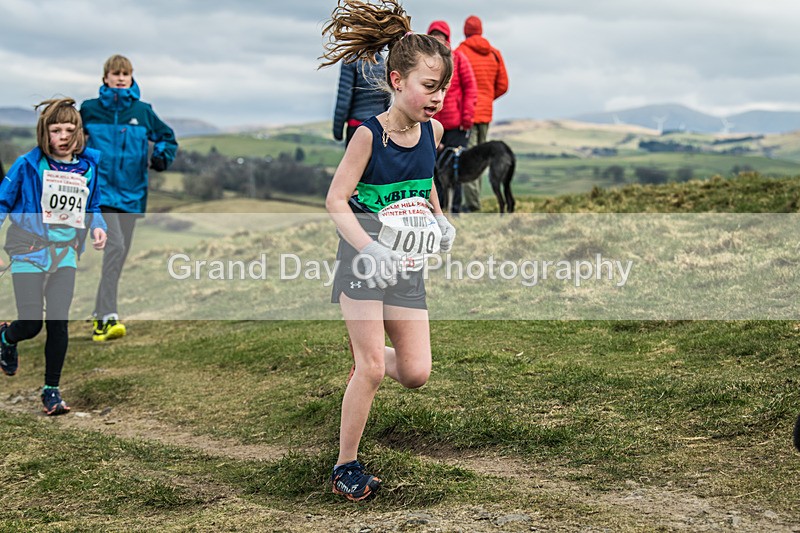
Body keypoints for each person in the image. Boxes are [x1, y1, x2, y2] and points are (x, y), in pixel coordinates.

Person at [320, 0, 456, 501]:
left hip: (407, 266)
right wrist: (369, 247)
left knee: (417, 373)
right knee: (375, 369)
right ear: (397, 81)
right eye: (428, 85)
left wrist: (440, 219)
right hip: (362, 260)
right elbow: (335, 200)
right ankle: (345, 465)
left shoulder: (434, 132)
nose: (437, 96)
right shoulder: (366, 136)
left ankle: (364, 357)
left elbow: (425, 184)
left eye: (442, 86)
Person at [0, 98, 107, 415]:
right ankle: (6, 337)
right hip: (28, 250)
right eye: (55, 129)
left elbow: (94, 205)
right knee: (31, 323)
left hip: (65, 255)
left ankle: (51, 391)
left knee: (59, 323)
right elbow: (2, 203)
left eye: (69, 129)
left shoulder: (88, 168)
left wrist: (98, 227)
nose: (62, 135)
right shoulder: (28, 165)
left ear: (79, 134)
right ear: (44, 133)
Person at [80, 54, 178, 342]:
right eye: (115, 73)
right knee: (115, 246)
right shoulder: (90, 109)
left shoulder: (142, 110)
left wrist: (161, 156)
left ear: (131, 77)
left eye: (126, 73)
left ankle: (101, 314)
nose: (121, 77)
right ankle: (108, 317)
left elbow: (167, 137)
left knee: (118, 256)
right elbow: (71, 135)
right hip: (100, 193)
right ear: (105, 78)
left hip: (132, 195)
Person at [456, 15, 509, 212]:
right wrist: (487, 99)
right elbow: (503, 85)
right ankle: (475, 201)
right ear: (481, 30)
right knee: (483, 158)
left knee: (469, 159)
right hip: (485, 114)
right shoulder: (494, 54)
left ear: (465, 30)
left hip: (467, 115)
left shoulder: (460, 52)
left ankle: (472, 204)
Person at [427, 20, 477, 213]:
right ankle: (436, 209)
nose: (437, 40)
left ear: (447, 39)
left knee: (455, 169)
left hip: (457, 125)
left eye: (440, 37)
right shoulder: (427, 61)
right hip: (434, 125)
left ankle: (454, 208)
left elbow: (470, 89)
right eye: (433, 36)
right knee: (435, 169)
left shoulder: (459, 59)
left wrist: (467, 118)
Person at [333, 54, 391, 146]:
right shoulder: (382, 62)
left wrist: (337, 131)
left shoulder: (350, 61)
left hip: (357, 127)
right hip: (380, 127)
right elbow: (387, 100)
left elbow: (344, 99)